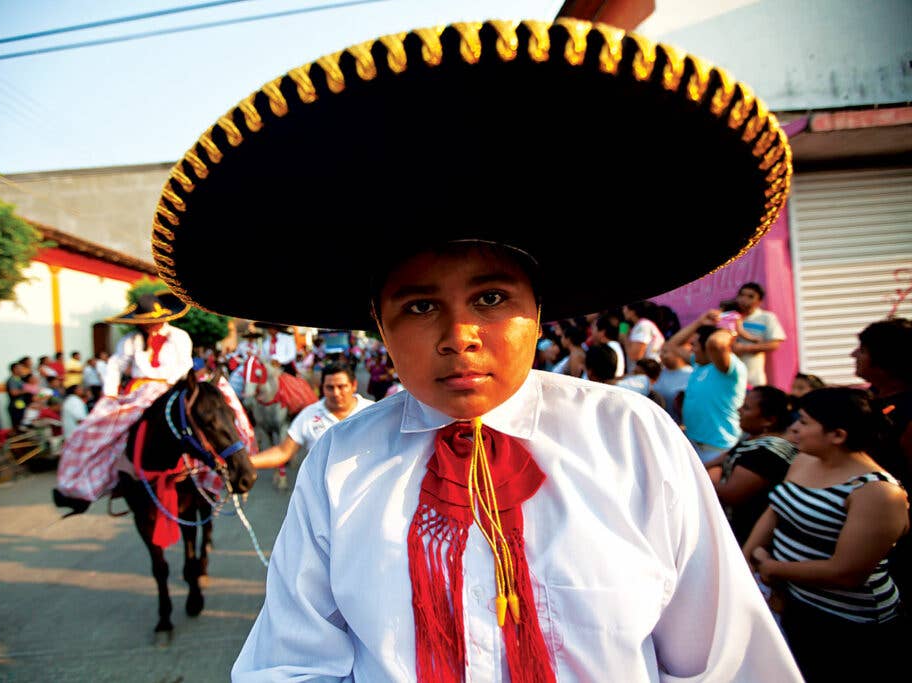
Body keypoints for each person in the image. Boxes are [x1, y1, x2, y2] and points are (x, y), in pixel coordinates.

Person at [153, 18, 800, 680]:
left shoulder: (631, 438)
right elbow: (288, 665)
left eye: (490, 298)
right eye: (420, 306)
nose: (458, 334)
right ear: (379, 325)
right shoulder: (341, 464)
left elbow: (725, 661)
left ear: (537, 312)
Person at [743, 387, 909, 682]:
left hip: (849, 628)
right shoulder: (805, 459)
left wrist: (771, 567)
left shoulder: (877, 492)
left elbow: (845, 572)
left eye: (805, 422)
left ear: (838, 435)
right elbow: (776, 509)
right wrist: (746, 561)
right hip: (797, 603)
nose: (794, 427)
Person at [54, 291, 194, 509]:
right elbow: (115, 365)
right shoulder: (131, 340)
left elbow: (184, 364)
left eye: (153, 322)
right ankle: (90, 481)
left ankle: (211, 468)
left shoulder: (179, 336)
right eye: (144, 322)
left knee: (206, 414)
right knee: (100, 425)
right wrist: (109, 394)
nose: (149, 326)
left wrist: (167, 384)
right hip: (139, 390)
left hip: (171, 386)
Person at [852, 316, 912, 599]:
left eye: (862, 350)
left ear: (884, 359)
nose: (854, 355)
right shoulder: (870, 400)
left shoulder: (906, 412)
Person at [250, 363, 374, 488]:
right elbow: (283, 451)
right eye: (330, 387)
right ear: (322, 388)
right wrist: (247, 461)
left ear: (354, 385)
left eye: (341, 387)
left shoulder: (373, 411)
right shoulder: (308, 414)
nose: (336, 393)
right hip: (324, 494)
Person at [706, 386, 798, 544]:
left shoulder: (767, 452)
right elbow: (716, 462)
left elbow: (732, 494)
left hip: (750, 537)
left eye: (747, 408)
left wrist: (703, 479)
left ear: (769, 420)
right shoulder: (752, 441)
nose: (739, 410)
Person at [666, 310, 749, 464]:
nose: (691, 349)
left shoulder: (729, 367)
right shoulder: (699, 365)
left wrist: (728, 330)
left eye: (694, 345)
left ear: (706, 348)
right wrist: (699, 321)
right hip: (695, 446)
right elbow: (672, 345)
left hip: (719, 450)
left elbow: (716, 344)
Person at [731, 282, 786, 388]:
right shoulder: (730, 316)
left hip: (753, 379)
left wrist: (745, 348)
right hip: (729, 378)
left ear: (759, 301)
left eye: (750, 296)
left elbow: (774, 344)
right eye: (742, 295)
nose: (744, 299)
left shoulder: (766, 317)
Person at [652, 340, 693, 424]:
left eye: (665, 352)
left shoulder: (690, 374)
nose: (661, 355)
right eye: (661, 351)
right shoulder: (659, 372)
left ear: (679, 353)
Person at [623, 300, 665, 372]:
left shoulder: (644, 325)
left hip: (646, 375)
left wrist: (624, 337)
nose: (623, 310)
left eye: (625, 308)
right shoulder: (639, 325)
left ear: (633, 311)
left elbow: (635, 355)